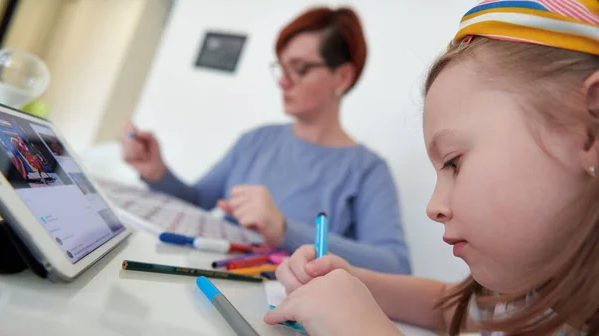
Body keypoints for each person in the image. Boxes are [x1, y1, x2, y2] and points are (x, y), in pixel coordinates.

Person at [264, 1, 599, 336]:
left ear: (589, 131)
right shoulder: (533, 289)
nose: (433, 205)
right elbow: (448, 304)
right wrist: (352, 282)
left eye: (454, 163)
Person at [122, 7, 411, 274]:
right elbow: (199, 201)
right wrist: (157, 173)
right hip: (213, 277)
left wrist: (284, 229)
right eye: (282, 69)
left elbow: (396, 267)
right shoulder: (255, 141)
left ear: (342, 77)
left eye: (299, 69)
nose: (284, 82)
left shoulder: (368, 170)